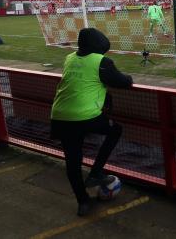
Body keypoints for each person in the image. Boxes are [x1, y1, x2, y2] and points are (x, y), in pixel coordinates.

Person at [50, 28, 133, 216]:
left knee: (73, 162)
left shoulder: (70, 57)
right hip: (86, 117)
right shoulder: (101, 62)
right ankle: (95, 172)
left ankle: (83, 202)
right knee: (115, 130)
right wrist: (128, 78)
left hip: (60, 116)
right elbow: (124, 82)